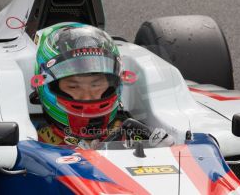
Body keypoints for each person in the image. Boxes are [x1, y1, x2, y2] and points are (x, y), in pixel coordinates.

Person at [31, 22, 173, 149]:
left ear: (114, 84)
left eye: (96, 84)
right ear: (46, 86)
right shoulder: (34, 143)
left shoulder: (134, 134)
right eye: (74, 87)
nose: (87, 97)